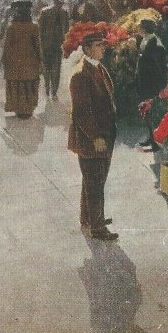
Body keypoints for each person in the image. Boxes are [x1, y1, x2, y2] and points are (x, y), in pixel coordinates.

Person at [68, 31, 118, 241]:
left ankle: (88, 217)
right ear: (87, 48)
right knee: (95, 182)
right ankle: (97, 227)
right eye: (98, 45)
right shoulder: (81, 73)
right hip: (92, 139)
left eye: (103, 45)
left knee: (93, 180)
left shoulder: (98, 67)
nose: (102, 49)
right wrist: (96, 136)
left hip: (103, 135)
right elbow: (82, 112)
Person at [1, 0, 41, 119]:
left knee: (16, 83)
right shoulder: (34, 26)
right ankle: (28, 108)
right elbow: (38, 46)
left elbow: (7, 46)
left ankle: (17, 107)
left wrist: (4, 60)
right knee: (29, 83)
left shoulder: (12, 26)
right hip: (30, 61)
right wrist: (40, 60)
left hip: (14, 61)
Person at [136, 19, 168, 151]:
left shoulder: (155, 43)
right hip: (146, 81)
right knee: (147, 111)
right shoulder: (146, 39)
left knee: (151, 111)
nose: (138, 29)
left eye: (140, 27)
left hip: (152, 83)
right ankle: (151, 137)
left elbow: (157, 66)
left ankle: (155, 141)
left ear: (144, 29)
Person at [38, 0, 70, 100]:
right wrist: (40, 45)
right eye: (58, 2)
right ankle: (47, 88)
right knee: (47, 68)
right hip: (47, 44)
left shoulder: (65, 13)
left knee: (57, 69)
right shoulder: (45, 12)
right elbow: (40, 30)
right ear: (54, 1)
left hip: (58, 45)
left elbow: (67, 29)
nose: (59, 5)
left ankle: (54, 91)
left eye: (61, 3)